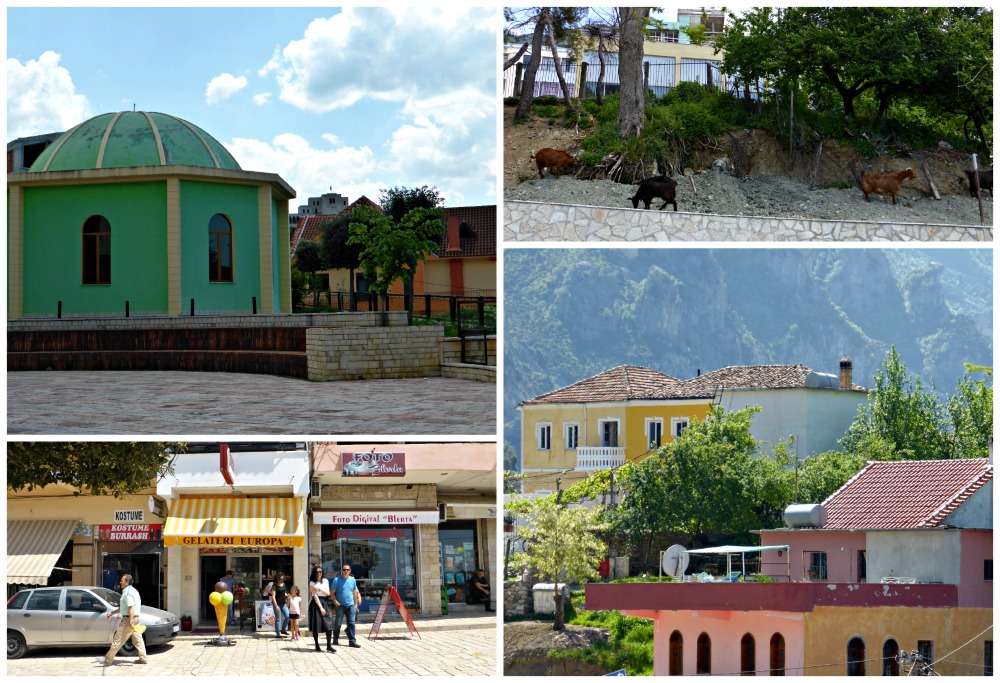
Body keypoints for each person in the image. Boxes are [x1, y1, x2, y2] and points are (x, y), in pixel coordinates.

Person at [104, 574, 147, 665]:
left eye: (122, 580)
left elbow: (130, 608)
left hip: (129, 619)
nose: (120, 582)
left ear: (127, 582)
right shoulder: (133, 591)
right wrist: (112, 613)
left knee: (118, 639)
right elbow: (124, 607)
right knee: (137, 638)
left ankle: (108, 659)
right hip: (135, 618)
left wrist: (130, 621)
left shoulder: (128, 593)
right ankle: (143, 658)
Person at [331, 564, 362, 648]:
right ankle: (335, 639)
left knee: (351, 623)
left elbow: (354, 592)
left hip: (351, 605)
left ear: (350, 571)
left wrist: (355, 604)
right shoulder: (336, 580)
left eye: (347, 570)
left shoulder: (352, 580)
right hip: (340, 605)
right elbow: (332, 592)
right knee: (338, 623)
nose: (345, 571)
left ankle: (352, 641)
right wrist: (335, 601)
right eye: (344, 569)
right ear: (341, 570)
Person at [308, 566, 336, 653]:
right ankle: (316, 644)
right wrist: (321, 608)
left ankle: (329, 646)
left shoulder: (325, 581)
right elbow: (315, 596)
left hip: (325, 601)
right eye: (317, 572)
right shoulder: (312, 583)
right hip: (316, 603)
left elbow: (328, 593)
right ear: (314, 573)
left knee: (329, 624)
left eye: (320, 571)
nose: (319, 573)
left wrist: (319, 588)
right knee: (316, 625)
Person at [271, 573, 290, 638]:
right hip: (277, 604)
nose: (281, 580)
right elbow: (273, 597)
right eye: (280, 579)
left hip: (283, 603)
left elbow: (283, 592)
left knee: (287, 616)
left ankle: (283, 629)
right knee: (278, 619)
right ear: (277, 578)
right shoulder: (274, 586)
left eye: (282, 579)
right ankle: (277, 634)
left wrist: (287, 595)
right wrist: (276, 606)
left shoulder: (283, 584)